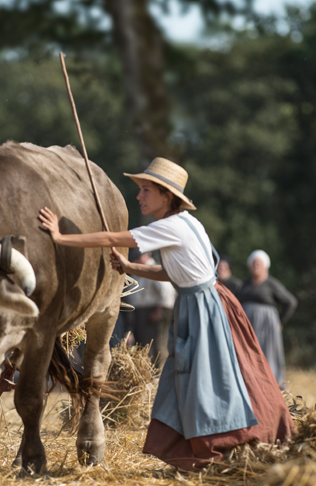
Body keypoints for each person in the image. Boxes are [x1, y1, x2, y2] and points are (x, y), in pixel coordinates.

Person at [39, 157, 294, 470]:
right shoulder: (187, 223)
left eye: (146, 190)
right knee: (192, 378)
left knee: (209, 381)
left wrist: (60, 237)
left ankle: (222, 449)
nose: (139, 196)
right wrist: (132, 267)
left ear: (166, 196)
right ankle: (197, 451)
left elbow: (110, 238)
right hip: (204, 302)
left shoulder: (170, 226)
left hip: (204, 310)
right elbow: (181, 271)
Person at [236, 250, 297, 387]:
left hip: (266, 325)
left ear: (265, 266)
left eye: (259, 263)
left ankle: (272, 384)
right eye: (254, 263)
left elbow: (290, 302)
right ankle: (249, 383)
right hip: (248, 325)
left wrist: (280, 321)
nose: (256, 266)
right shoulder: (245, 285)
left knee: (267, 352)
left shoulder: (271, 284)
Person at [123, 249, 177, 368]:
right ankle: (146, 368)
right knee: (142, 344)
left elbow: (167, 292)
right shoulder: (139, 270)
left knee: (152, 343)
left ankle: (154, 370)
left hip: (151, 312)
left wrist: (158, 311)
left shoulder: (154, 268)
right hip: (139, 312)